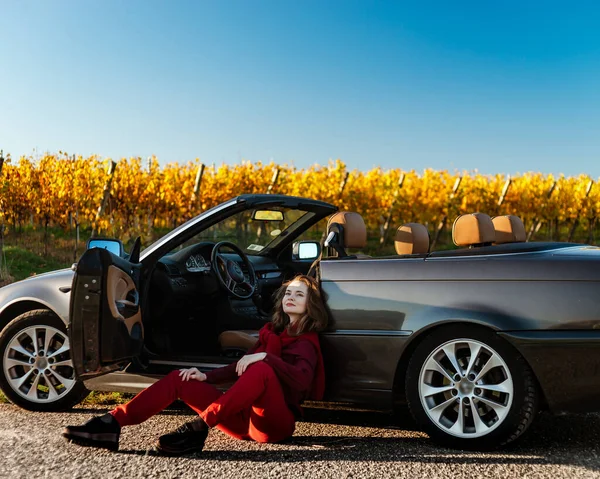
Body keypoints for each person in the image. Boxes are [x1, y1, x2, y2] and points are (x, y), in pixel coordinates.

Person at [62, 274, 328, 455]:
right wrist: (206, 377)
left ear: (310, 304)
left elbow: (301, 381)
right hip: (240, 421)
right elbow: (240, 369)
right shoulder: (272, 332)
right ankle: (111, 425)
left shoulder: (306, 342)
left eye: (299, 295)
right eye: (288, 292)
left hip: (273, 425)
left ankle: (198, 428)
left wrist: (265, 358)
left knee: (261, 368)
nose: (290, 297)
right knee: (182, 378)